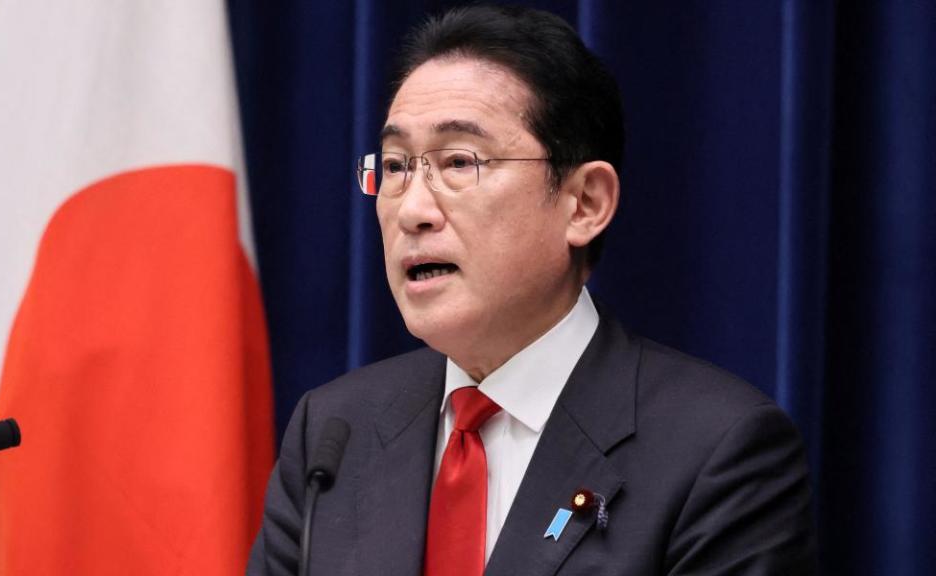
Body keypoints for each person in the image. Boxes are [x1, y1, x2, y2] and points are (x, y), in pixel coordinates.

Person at [247, 5, 816, 575]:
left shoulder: (717, 450)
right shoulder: (333, 434)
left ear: (585, 203)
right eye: (395, 167)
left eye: (458, 162)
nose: (412, 210)